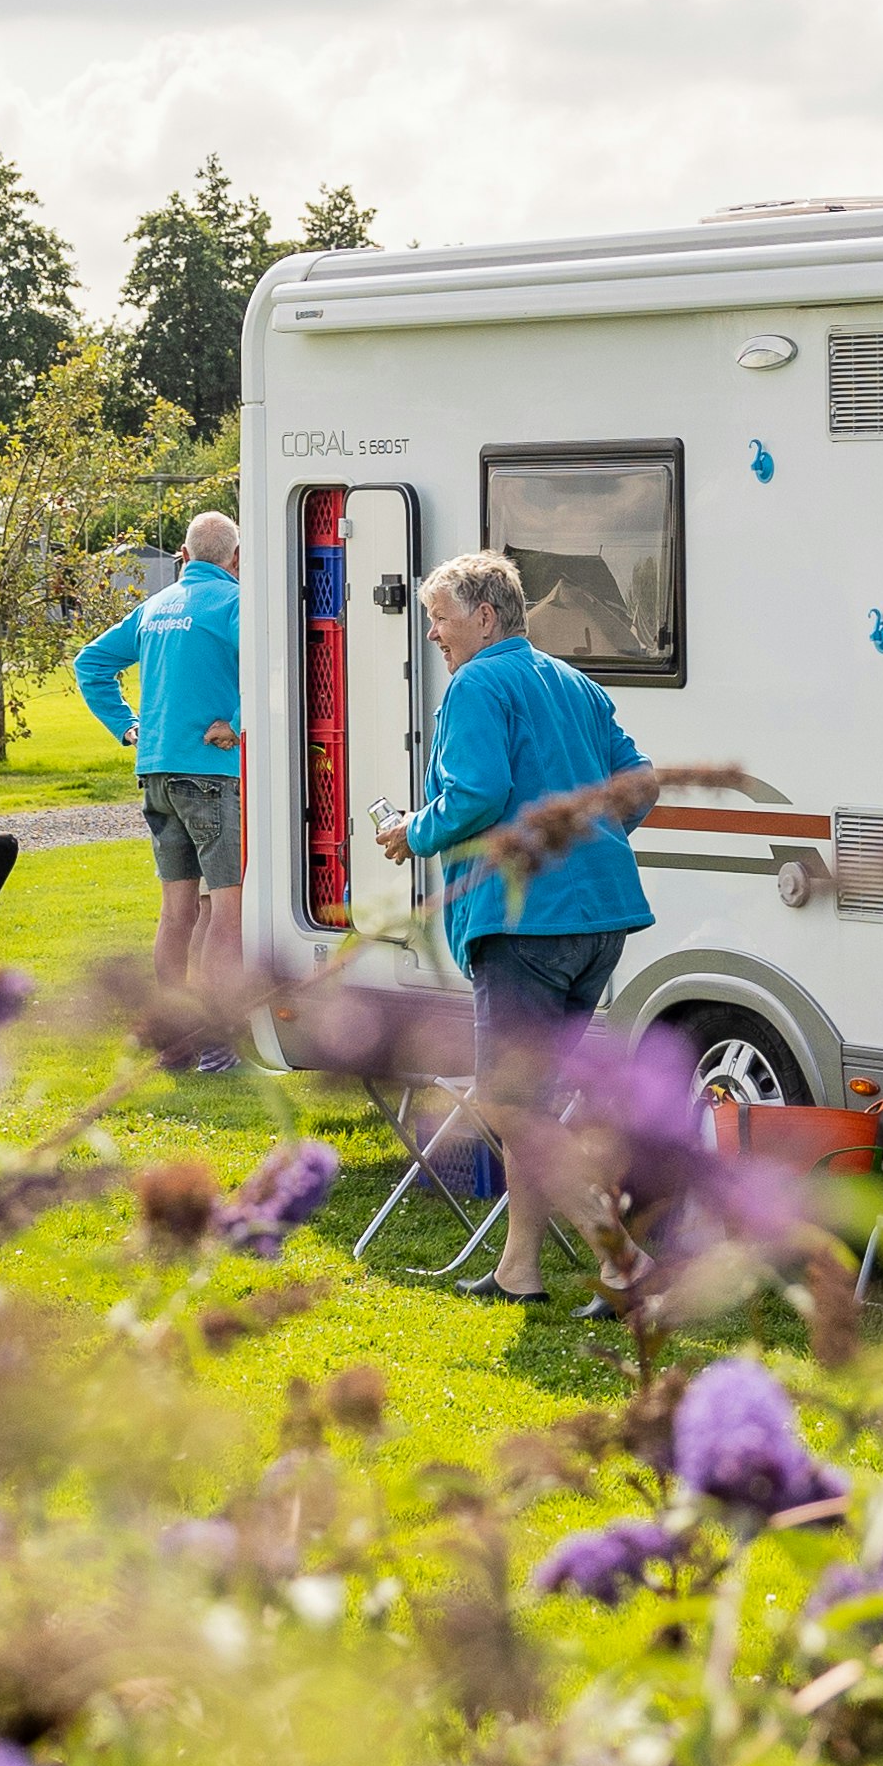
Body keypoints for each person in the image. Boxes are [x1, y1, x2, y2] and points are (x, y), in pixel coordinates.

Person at [372, 547, 648, 1306]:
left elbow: (476, 793)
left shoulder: (477, 683)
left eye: (440, 617)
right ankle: (517, 1269)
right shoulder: (574, 682)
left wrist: (414, 832)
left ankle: (622, 1254)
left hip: (528, 921)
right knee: (531, 1102)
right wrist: (600, 840)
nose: (433, 633)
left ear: (485, 616)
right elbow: (640, 781)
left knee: (505, 1104)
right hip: (598, 919)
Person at [75, 510, 249, 1062]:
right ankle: (219, 1042)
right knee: (228, 910)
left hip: (155, 772)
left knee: (178, 912)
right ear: (236, 558)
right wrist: (238, 723)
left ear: (186, 554)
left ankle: (173, 1042)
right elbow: (275, 665)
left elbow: (91, 663)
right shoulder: (234, 603)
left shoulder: (156, 606)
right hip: (211, 774)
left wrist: (126, 724)